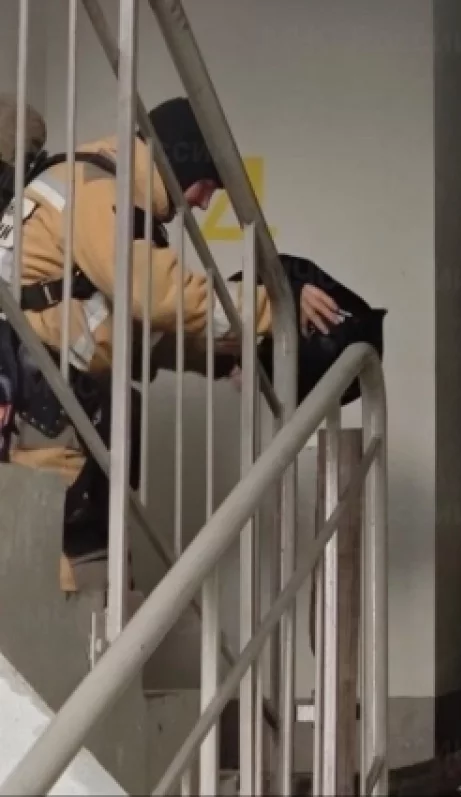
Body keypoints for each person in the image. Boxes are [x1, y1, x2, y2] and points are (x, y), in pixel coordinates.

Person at [0, 96, 341, 590]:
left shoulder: (99, 186)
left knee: (84, 560)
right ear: (178, 163)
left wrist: (222, 359)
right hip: (43, 411)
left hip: (47, 402)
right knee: (66, 572)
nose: (202, 203)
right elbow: (161, 296)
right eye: (206, 185)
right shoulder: (97, 190)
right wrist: (275, 305)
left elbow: (132, 329)